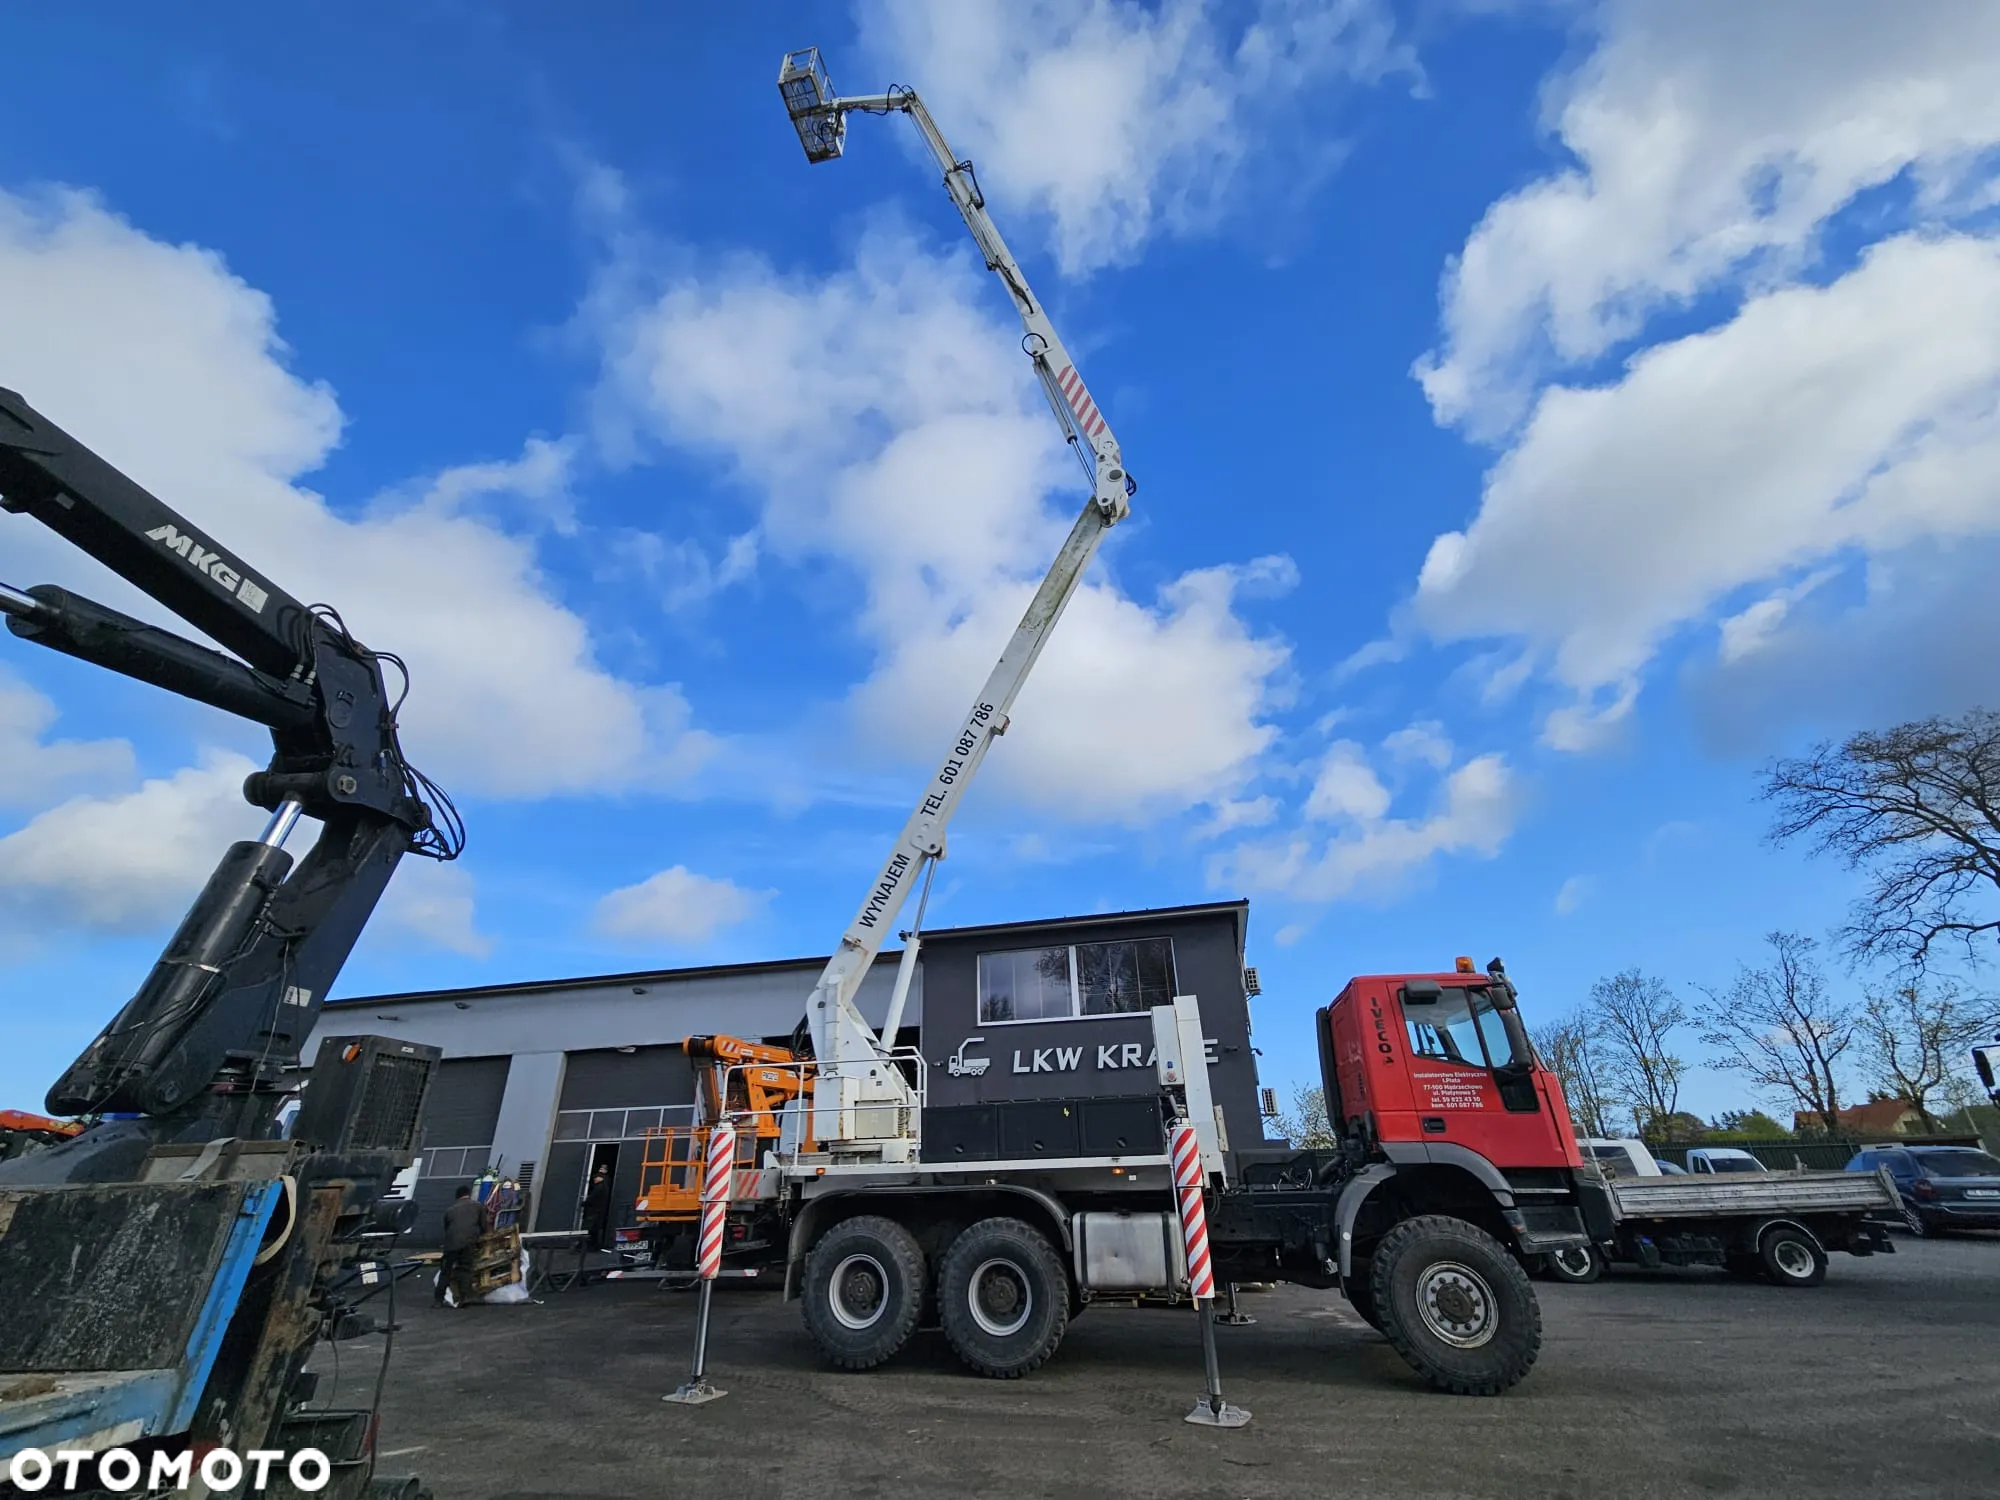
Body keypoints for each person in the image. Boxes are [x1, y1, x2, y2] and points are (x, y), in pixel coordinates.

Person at [437, 1184, 485, 1308]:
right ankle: (465, 1298)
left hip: (451, 1244)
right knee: (465, 1269)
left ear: (457, 1197)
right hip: (468, 1242)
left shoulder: (450, 1210)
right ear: (468, 1194)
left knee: (446, 1271)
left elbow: (447, 1228)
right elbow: (484, 1226)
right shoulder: (478, 1206)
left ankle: (438, 1300)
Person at [580, 1164, 614, 1252]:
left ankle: (583, 1247)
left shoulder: (599, 1187)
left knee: (587, 1229)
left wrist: (584, 1203)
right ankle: (595, 1247)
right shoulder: (606, 1186)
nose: (595, 1179)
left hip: (594, 1211)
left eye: (596, 1177)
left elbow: (592, 1198)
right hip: (599, 1211)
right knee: (596, 1230)